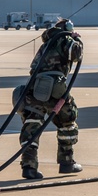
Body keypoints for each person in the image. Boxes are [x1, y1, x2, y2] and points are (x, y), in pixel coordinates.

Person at [14, 18, 84, 179]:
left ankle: (28, 167)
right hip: (54, 90)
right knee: (68, 121)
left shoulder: (46, 43)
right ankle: (67, 162)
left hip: (34, 89)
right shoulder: (64, 39)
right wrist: (75, 39)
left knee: (31, 126)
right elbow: (76, 54)